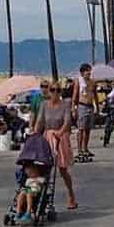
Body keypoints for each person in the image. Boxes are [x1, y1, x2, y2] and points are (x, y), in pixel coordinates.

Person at [35, 81, 78, 210]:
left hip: (60, 137)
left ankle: (71, 194)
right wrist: (35, 133)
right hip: (47, 136)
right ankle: (40, 196)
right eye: (52, 90)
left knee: (63, 169)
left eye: (58, 90)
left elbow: (67, 121)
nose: (55, 93)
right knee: (44, 168)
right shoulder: (44, 105)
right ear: (48, 91)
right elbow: (40, 121)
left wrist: (60, 132)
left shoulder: (65, 104)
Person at [73, 63, 97, 160]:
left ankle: (85, 148)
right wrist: (73, 108)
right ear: (82, 72)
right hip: (82, 105)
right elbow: (75, 94)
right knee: (81, 129)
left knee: (88, 129)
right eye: (87, 71)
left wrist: (97, 108)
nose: (89, 72)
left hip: (90, 106)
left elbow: (95, 95)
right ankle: (79, 149)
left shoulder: (92, 82)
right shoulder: (79, 81)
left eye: (89, 70)